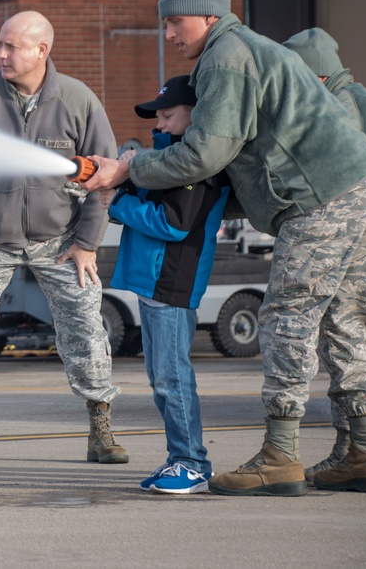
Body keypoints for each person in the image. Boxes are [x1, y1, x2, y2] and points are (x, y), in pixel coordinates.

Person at [81, 0, 366, 496]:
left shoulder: (225, 57)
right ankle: (364, 451)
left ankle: (281, 454)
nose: (169, 34)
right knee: (343, 315)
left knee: (286, 315)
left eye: (175, 21)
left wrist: (126, 171)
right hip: (362, 184)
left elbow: (205, 155)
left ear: (208, 14)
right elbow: (230, 174)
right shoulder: (250, 50)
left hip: (322, 198)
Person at [0, 10, 124, 468]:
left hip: (62, 241)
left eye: (11, 46)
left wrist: (88, 242)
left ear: (41, 50)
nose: (1, 54)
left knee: (87, 330)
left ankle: (101, 431)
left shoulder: (78, 101)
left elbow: (105, 177)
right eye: (0, 44)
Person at [282, 27, 366, 487]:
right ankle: (352, 454)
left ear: (315, 78)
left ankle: (362, 458)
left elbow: (337, 186)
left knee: (365, 350)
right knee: (364, 350)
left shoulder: (344, 110)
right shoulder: (360, 100)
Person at [108, 75, 230, 494]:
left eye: (167, 115)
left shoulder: (198, 169)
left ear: (197, 116)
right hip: (152, 285)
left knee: (172, 378)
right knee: (161, 379)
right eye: (156, 116)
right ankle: (180, 458)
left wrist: (118, 203)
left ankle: (193, 463)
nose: (158, 124)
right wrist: (126, 176)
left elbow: (172, 224)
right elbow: (148, 203)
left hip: (172, 285)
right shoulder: (165, 164)